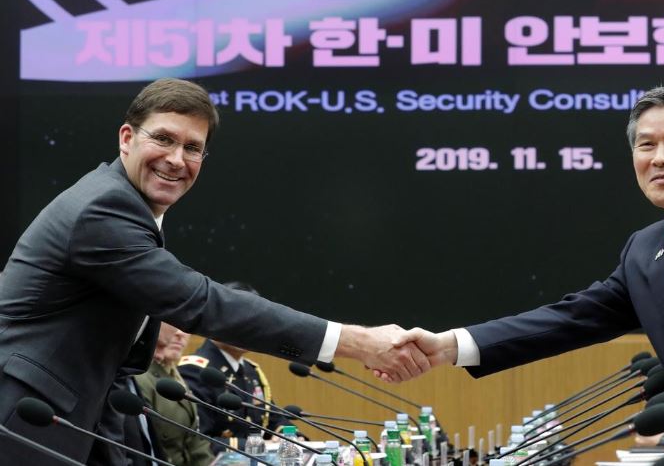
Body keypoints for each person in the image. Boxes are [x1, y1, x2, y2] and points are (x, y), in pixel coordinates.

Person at [0, 78, 428, 465]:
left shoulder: (126, 206)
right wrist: (354, 341)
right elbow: (199, 302)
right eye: (164, 139)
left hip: (67, 418)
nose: (175, 159)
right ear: (127, 138)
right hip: (21, 418)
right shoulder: (102, 211)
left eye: (192, 148)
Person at [403, 85, 664, 466]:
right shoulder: (645, 248)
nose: (659, 157)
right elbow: (574, 318)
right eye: (645, 145)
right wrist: (450, 346)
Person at [179, 282, 294, 453]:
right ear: (214, 321)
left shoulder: (251, 371)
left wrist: (290, 436)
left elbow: (275, 420)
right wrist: (258, 447)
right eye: (240, 320)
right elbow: (198, 440)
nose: (249, 330)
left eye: (255, 323)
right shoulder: (196, 371)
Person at [133, 323, 214, 466]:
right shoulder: (140, 376)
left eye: (186, 327)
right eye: (173, 324)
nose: (180, 333)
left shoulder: (174, 374)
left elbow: (196, 441)